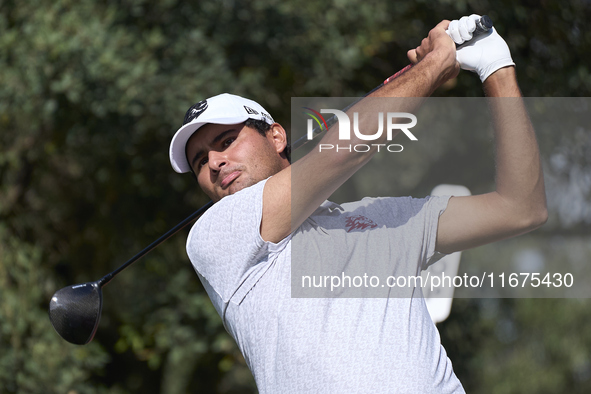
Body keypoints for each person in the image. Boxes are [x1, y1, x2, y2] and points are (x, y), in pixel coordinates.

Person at [168, 15, 547, 393]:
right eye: (201, 161)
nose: (215, 162)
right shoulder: (214, 235)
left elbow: (521, 208)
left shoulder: (384, 218)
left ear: (277, 137)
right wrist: (435, 64)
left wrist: (495, 66)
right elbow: (342, 153)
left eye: (226, 140)